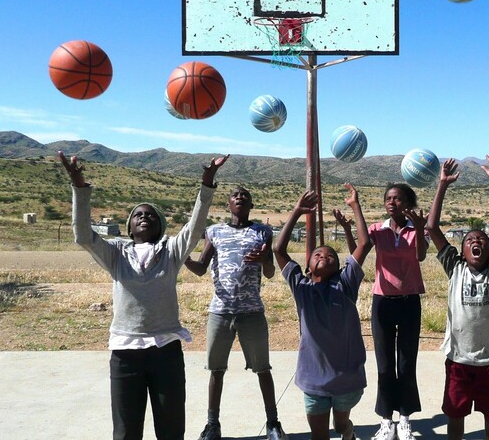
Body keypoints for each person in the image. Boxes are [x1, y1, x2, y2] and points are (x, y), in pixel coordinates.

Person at [59, 150, 227, 440]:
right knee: (126, 432)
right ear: (130, 226)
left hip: (166, 352)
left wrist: (207, 182)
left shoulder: (171, 252)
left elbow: (196, 226)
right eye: (138, 214)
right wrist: (78, 184)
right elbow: (83, 236)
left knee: (171, 429)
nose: (144, 217)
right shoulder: (115, 254)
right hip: (125, 354)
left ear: (160, 225)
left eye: (150, 215)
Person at [424, 151, 489, 440]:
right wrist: (442, 185)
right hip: (459, 362)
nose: (475, 242)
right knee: (455, 417)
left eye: (481, 240)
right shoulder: (455, 268)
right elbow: (431, 227)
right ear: (462, 251)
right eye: (469, 241)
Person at [183, 186, 289, 440]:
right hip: (220, 312)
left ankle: (273, 424)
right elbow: (200, 268)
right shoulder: (215, 231)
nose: (240, 198)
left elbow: (270, 272)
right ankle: (212, 425)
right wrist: (181, 256)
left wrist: (264, 259)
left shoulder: (262, 231)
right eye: (235, 196)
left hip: (252, 311)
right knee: (216, 370)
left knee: (263, 369)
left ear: (251, 205)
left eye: (245, 196)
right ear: (228, 204)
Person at [273, 183, 373, 440]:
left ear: (339, 267)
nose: (324, 256)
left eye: (330, 256)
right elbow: (278, 250)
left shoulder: (346, 284)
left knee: (340, 427)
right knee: (319, 436)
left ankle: (348, 432)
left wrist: (355, 205)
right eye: (317, 253)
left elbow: (365, 243)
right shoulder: (301, 287)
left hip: (346, 378)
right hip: (314, 379)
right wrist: (296, 211)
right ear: (307, 266)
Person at [368, 182, 429, 440]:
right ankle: (386, 420)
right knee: (384, 364)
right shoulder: (377, 229)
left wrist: (418, 227)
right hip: (382, 301)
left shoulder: (418, 230)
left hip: (409, 301)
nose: (392, 202)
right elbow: (356, 248)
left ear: (408, 204)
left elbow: (422, 256)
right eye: (389, 198)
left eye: (398, 199)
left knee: (406, 362)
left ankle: (404, 419)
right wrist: (355, 210)